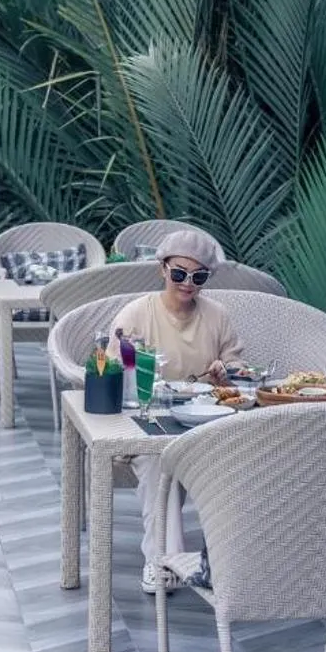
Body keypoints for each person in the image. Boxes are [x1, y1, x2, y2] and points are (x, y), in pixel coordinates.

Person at [114, 227, 242, 593]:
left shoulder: (217, 315)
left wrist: (224, 374)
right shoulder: (137, 314)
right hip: (147, 420)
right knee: (160, 461)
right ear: (163, 270)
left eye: (198, 276)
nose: (187, 283)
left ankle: (230, 561)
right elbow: (115, 371)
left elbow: (236, 371)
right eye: (179, 274)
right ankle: (162, 562)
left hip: (206, 421)